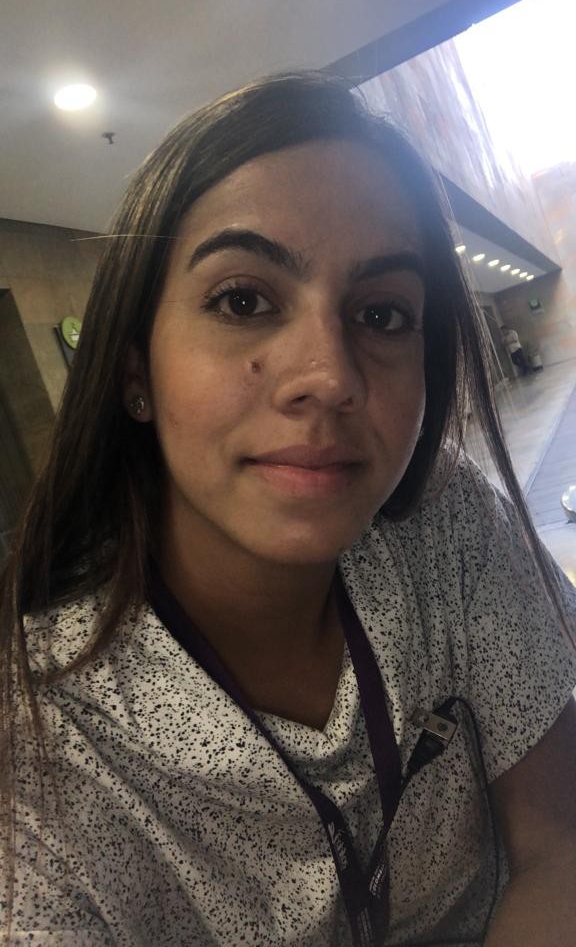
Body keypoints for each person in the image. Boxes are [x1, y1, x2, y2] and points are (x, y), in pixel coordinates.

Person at [1, 72, 575, 947]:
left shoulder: (445, 521)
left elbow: (560, 844)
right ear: (133, 372)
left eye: (382, 313)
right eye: (243, 301)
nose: (331, 377)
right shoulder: (41, 747)